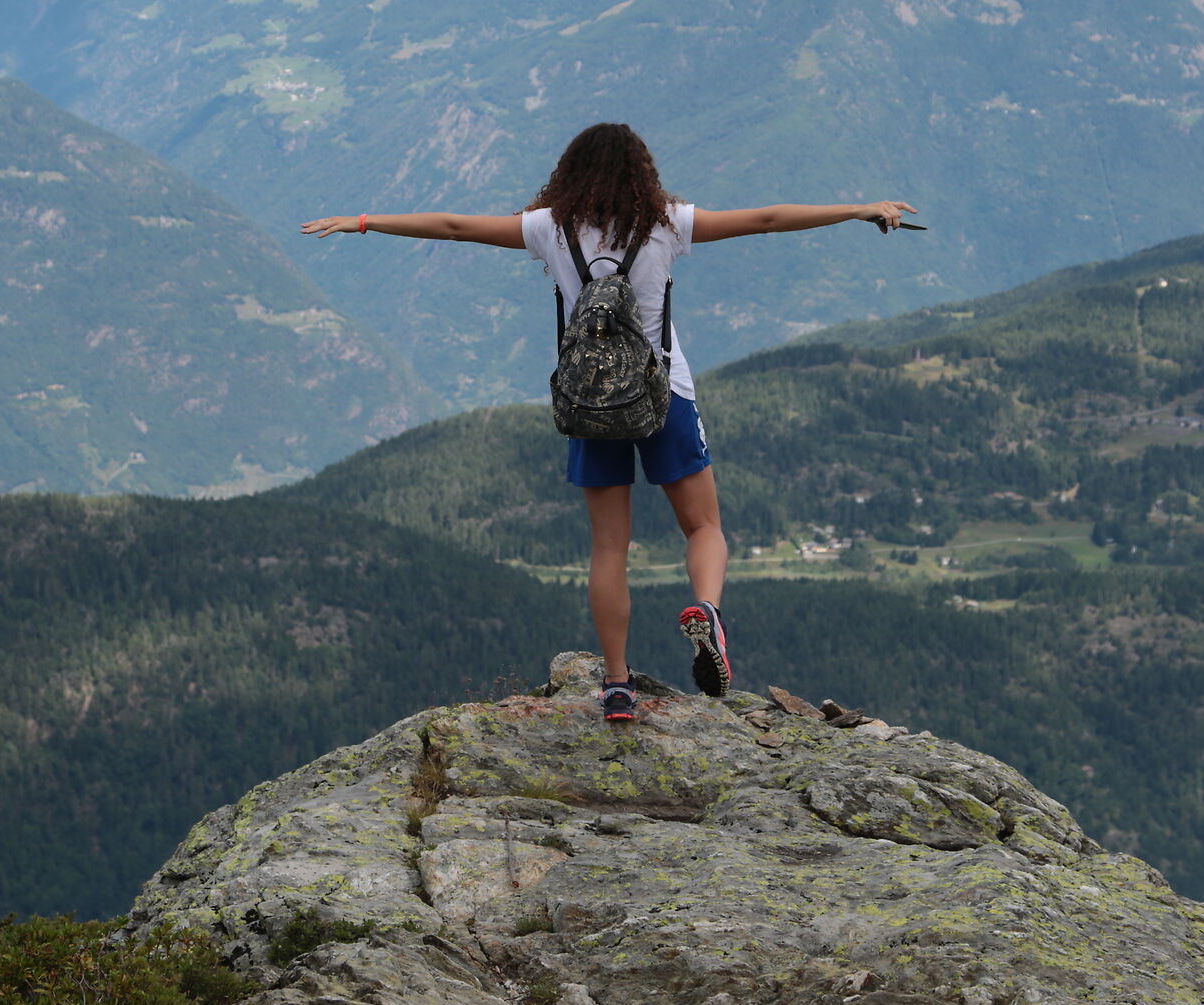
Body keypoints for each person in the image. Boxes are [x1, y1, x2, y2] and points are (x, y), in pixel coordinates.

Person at [301, 121, 915, 722]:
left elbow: (456, 226)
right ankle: (705, 610)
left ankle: (617, 686)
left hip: (590, 404)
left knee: (608, 547)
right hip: (663, 395)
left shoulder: (549, 228)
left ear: (570, 174)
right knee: (703, 528)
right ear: (641, 173)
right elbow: (768, 218)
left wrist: (363, 221)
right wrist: (858, 209)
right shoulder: (668, 223)